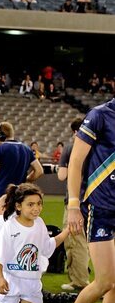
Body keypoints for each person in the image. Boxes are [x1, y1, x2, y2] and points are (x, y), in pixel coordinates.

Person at [56, 97, 115, 303]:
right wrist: (73, 204)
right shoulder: (100, 115)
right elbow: (77, 161)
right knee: (105, 281)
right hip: (101, 208)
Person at [56, 118, 90, 292]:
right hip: (98, 198)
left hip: (75, 200)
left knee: (75, 240)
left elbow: (62, 176)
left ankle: (79, 280)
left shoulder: (71, 147)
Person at [0, 122, 43, 203]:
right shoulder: (27, 149)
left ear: (0, 135)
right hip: (19, 196)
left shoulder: (0, 149)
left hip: (0, 196)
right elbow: (39, 171)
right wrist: (26, 180)